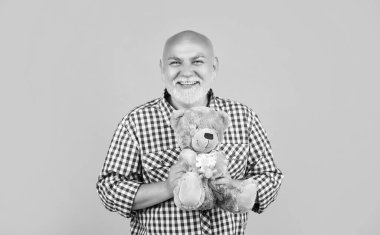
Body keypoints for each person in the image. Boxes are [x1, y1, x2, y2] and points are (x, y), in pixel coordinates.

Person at [96, 30, 284, 235]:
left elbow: (270, 178)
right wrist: (168, 187)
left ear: (214, 67)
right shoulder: (135, 123)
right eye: (175, 62)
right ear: (162, 69)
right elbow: (109, 189)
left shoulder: (243, 117)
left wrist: (231, 186)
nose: (186, 72)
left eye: (197, 61)